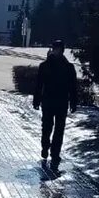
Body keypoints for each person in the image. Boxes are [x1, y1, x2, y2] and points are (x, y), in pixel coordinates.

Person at [34, 39, 79, 168]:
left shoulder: (68, 67)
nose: (57, 51)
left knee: (59, 129)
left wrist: (73, 102)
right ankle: (45, 147)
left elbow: (73, 87)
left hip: (60, 102)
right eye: (55, 49)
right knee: (47, 127)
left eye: (59, 49)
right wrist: (37, 100)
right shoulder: (45, 66)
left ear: (62, 50)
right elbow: (39, 85)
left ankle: (55, 153)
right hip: (49, 101)